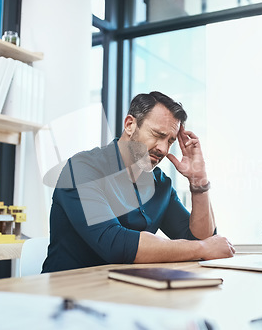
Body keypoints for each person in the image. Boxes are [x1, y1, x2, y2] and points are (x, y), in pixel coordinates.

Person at [42, 91, 235, 272]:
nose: (163, 149)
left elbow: (202, 238)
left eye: (170, 141)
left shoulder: (160, 184)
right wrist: (202, 248)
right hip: (68, 296)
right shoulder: (82, 169)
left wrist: (198, 181)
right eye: (158, 135)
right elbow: (115, 244)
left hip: (125, 292)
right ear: (129, 125)